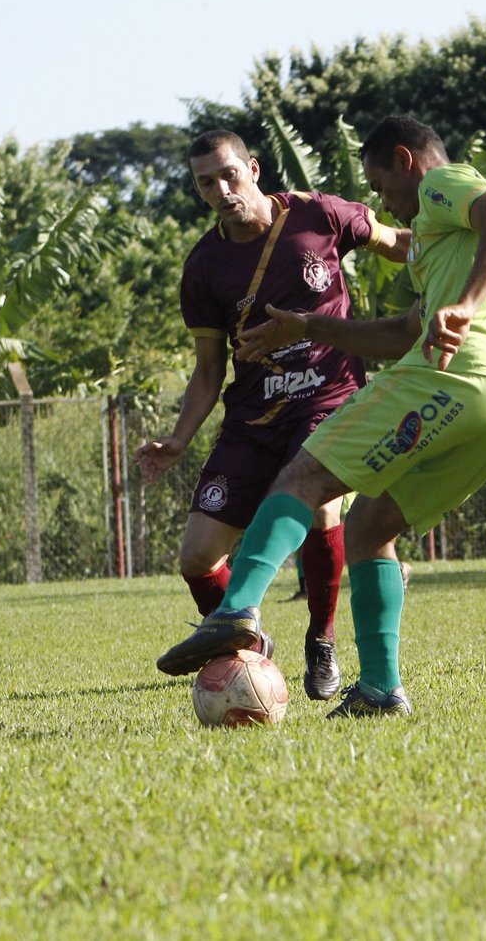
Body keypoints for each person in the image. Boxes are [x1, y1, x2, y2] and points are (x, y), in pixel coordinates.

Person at [154, 114, 486, 717]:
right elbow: (403, 332)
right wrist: (308, 325)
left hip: (458, 377)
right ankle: (382, 691)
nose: (384, 203)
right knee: (369, 529)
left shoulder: (443, 186)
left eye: (382, 186)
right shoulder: (449, 247)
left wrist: (464, 305)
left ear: (407, 163)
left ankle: (237, 611)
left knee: (303, 481)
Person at [133, 129, 412, 701]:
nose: (220, 189)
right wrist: (180, 438)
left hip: (328, 397)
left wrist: (485, 247)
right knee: (196, 557)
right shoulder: (204, 267)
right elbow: (209, 369)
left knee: (321, 507)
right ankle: (247, 652)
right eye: (205, 183)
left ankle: (322, 640)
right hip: (253, 418)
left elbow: (398, 242)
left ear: (253, 169)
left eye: (228, 174)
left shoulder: (320, 216)